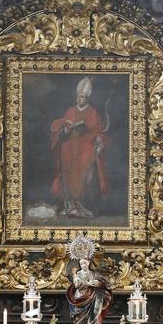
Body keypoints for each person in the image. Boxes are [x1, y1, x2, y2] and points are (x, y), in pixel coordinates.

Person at [51, 77, 109, 218]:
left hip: (86, 148)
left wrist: (99, 142)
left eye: (82, 97)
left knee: (87, 172)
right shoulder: (70, 110)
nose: (79, 99)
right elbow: (61, 129)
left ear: (87, 98)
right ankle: (70, 205)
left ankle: (84, 206)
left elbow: (99, 130)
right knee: (68, 172)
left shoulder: (93, 112)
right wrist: (65, 130)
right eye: (78, 97)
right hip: (69, 148)